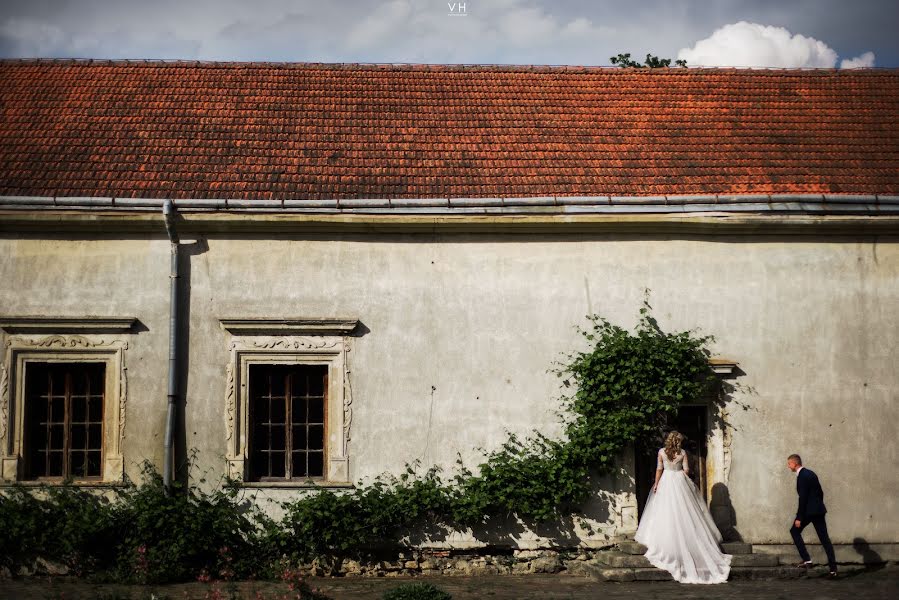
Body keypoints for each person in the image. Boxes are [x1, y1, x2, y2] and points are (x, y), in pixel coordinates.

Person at [634, 431, 731, 584]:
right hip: (679, 480)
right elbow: (686, 470)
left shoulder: (661, 452)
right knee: (686, 511)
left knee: (664, 511)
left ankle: (664, 541)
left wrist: (657, 484)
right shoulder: (683, 452)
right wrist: (681, 472)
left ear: (668, 440)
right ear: (679, 441)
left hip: (666, 479)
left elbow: (659, 469)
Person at [787, 454, 837, 578]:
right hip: (819, 510)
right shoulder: (811, 473)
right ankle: (833, 570)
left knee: (794, 531)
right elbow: (820, 492)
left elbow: (802, 498)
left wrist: (799, 517)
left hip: (809, 512)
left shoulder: (802, 476)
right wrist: (817, 505)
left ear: (795, 463)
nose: (788, 466)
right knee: (825, 539)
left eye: (789, 464)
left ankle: (807, 560)